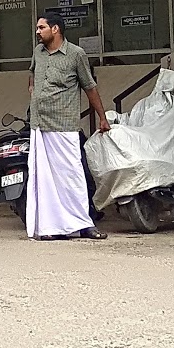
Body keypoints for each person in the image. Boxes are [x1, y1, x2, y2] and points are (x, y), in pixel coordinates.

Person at [27, 12, 109, 241]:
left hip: (64, 125)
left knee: (72, 175)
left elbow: (89, 87)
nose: (37, 31)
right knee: (44, 179)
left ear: (55, 29)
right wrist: (33, 90)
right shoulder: (38, 52)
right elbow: (32, 72)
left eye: (41, 27)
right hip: (39, 124)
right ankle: (51, 228)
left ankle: (84, 225)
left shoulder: (76, 54)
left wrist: (102, 117)